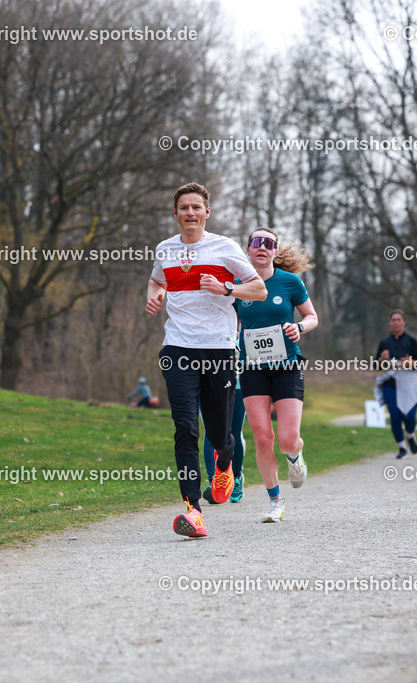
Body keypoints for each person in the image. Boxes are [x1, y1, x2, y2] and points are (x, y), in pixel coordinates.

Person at [146, 182, 266, 538]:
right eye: (184, 208)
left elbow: (258, 289)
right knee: (185, 428)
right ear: (176, 213)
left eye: (196, 207)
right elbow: (156, 281)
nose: (190, 213)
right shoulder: (165, 250)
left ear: (207, 213)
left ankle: (225, 464)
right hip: (178, 349)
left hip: (219, 350)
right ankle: (192, 510)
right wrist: (154, 297)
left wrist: (227, 289)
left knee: (219, 433)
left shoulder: (224, 248)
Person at [236, 227, 318, 523]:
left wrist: (300, 327)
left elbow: (312, 316)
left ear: (274, 251)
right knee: (261, 436)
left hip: (287, 366)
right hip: (252, 368)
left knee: (286, 438)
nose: (262, 247)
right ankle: (275, 501)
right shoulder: (237, 285)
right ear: (248, 249)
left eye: (268, 244)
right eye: (256, 242)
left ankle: (295, 456)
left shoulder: (289, 282)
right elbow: (229, 321)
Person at [375, 310, 417, 458]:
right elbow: (377, 366)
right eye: (393, 320)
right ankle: (402, 448)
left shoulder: (411, 341)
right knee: (395, 417)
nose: (396, 322)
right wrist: (382, 359)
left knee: (409, 417)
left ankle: (410, 435)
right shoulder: (385, 342)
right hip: (391, 383)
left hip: (409, 383)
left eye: (398, 320)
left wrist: (411, 362)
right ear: (390, 322)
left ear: (403, 321)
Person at [201, 378, 247, 503]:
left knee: (235, 432)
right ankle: (214, 483)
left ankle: (237, 476)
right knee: (210, 432)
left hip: (236, 381)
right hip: (206, 381)